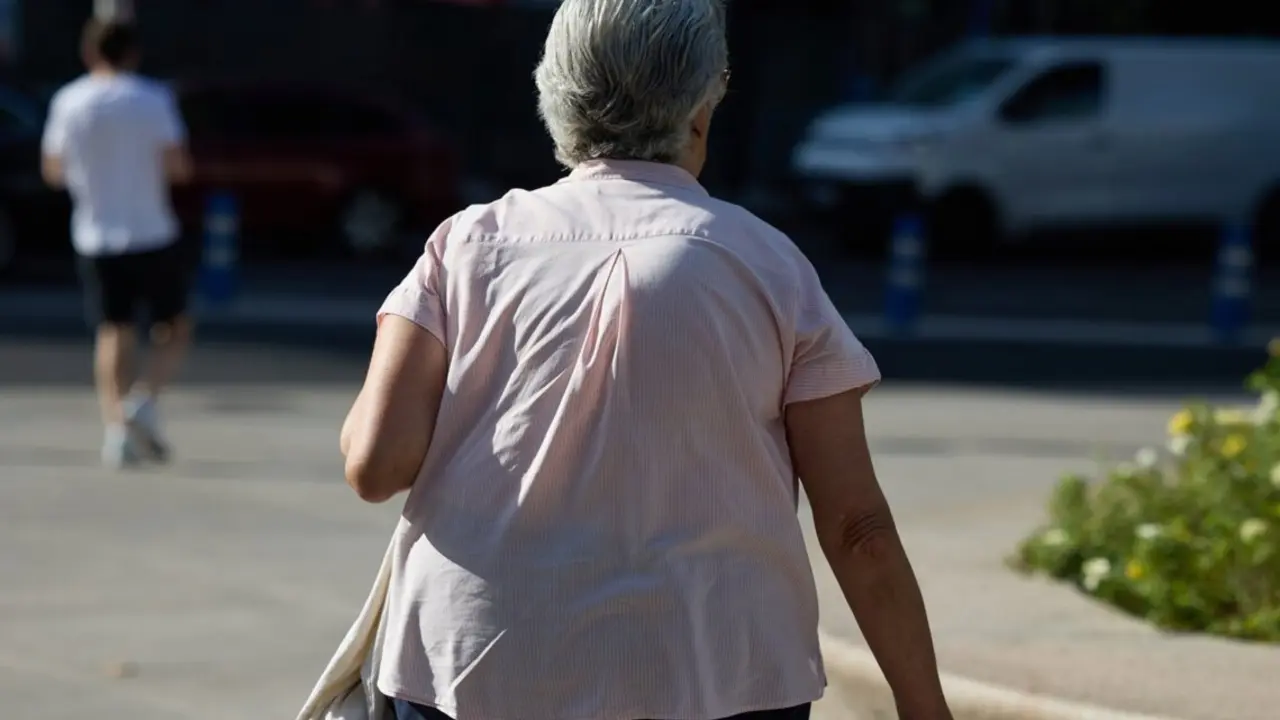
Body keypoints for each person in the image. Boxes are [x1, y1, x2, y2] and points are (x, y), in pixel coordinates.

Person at [340, 1, 953, 718]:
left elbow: (376, 465)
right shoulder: (769, 264)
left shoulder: (466, 246)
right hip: (718, 672)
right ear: (701, 109)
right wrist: (923, 706)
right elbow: (858, 528)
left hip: (475, 665)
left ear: (556, 95)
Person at [41, 17, 195, 469]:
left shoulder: (68, 101)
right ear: (133, 54)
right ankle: (143, 400)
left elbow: (53, 170)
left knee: (114, 331)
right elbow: (178, 166)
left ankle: (116, 431)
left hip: (94, 231)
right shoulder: (153, 98)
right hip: (151, 229)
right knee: (176, 326)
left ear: (89, 53)